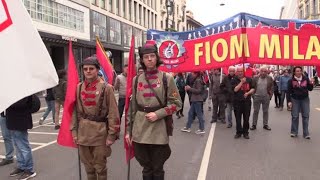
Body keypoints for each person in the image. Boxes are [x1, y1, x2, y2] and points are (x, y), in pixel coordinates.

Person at [125, 43, 181, 180]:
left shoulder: (167, 78)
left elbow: (176, 104)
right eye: (146, 57)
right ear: (142, 60)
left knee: (157, 169)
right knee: (146, 168)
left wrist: (158, 114)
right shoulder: (136, 80)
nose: (149, 59)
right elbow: (132, 108)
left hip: (158, 130)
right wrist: (128, 131)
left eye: (152, 56)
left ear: (156, 58)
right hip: (139, 130)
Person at [71, 56, 120, 180]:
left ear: (97, 69)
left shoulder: (107, 88)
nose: (88, 71)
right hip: (83, 134)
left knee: (100, 168)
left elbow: (114, 114)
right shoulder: (78, 87)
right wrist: (74, 131)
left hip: (100, 134)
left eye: (91, 68)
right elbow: (75, 111)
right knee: (88, 168)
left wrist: (111, 135)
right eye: (85, 69)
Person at [6, 96, 39, 179]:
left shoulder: (23, 92)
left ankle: (29, 170)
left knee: (23, 147)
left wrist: (8, 101)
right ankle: (21, 166)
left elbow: (21, 104)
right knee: (17, 146)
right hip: (12, 121)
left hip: (20, 121)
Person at [288, 66, 314, 139]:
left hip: (305, 99)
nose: (299, 72)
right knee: (295, 116)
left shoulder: (305, 79)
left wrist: (311, 83)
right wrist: (289, 101)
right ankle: (294, 132)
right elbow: (288, 91)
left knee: (305, 116)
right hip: (295, 99)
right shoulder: (291, 80)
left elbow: (310, 89)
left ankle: (306, 133)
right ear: (294, 72)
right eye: (297, 71)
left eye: (300, 71)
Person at [232, 67, 255, 139]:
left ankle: (245, 132)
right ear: (236, 72)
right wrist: (241, 82)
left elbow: (253, 88)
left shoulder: (249, 79)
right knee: (238, 118)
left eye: (241, 71)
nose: (240, 73)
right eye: (238, 71)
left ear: (244, 71)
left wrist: (248, 93)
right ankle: (238, 132)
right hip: (237, 102)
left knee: (246, 118)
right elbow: (235, 90)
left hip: (246, 102)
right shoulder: (234, 80)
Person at [250, 66, 273, 131]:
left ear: (267, 72)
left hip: (266, 96)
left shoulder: (269, 78)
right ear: (259, 71)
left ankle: (265, 124)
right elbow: (252, 86)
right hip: (257, 96)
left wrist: (270, 95)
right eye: (262, 71)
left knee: (265, 111)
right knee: (255, 111)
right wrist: (253, 95)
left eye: (265, 71)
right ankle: (254, 125)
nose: (263, 73)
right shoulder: (255, 78)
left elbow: (272, 87)